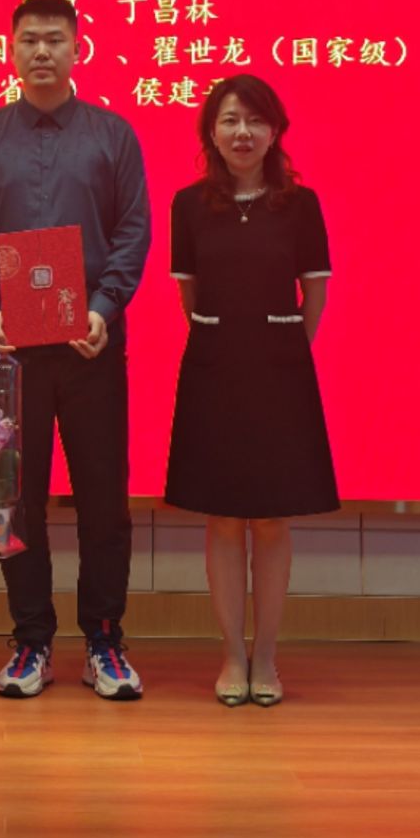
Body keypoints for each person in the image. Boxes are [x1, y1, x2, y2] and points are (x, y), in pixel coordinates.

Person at [0, 0, 151, 701]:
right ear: (10, 49)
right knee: (11, 501)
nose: (41, 51)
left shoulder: (112, 135)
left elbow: (132, 231)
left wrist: (103, 307)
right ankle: (31, 640)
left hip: (92, 347)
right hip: (7, 352)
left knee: (104, 499)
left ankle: (104, 641)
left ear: (76, 48)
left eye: (55, 39)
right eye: (29, 39)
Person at [163, 74, 337, 707]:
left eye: (255, 121)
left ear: (275, 131)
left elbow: (314, 294)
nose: (243, 133)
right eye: (230, 120)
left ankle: (266, 656)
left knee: (270, 519)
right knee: (222, 518)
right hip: (214, 368)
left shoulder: (300, 205)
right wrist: (229, 343)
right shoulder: (189, 204)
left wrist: (282, 347)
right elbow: (190, 296)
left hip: (280, 373)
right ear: (211, 131)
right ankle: (232, 655)